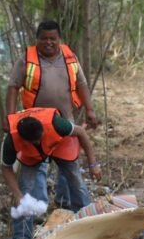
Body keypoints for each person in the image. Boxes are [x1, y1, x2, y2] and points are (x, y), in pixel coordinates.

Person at [5, 20, 98, 213]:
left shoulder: (70, 59)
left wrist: (90, 109)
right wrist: (10, 116)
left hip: (63, 121)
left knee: (69, 165)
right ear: (37, 40)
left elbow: (81, 84)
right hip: (34, 126)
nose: (48, 42)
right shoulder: (26, 60)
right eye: (44, 38)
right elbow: (13, 87)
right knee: (35, 168)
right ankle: (37, 211)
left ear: (59, 39)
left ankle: (74, 209)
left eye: (53, 39)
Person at [1, 107, 101, 239]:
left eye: (39, 138)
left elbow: (81, 132)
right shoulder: (12, 139)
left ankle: (87, 226)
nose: (37, 142)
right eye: (34, 141)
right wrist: (17, 194)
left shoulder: (56, 124)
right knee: (25, 188)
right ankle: (21, 238)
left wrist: (93, 164)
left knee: (76, 180)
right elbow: (6, 168)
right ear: (24, 140)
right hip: (32, 155)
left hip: (59, 143)